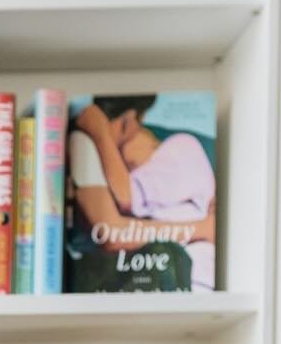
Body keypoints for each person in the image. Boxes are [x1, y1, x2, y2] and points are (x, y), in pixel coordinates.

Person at [69, 95, 218, 291]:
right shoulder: (158, 196)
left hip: (193, 282)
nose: (116, 162)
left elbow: (126, 196)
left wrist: (100, 133)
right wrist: (201, 229)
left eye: (118, 150)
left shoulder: (182, 148)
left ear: (129, 123)